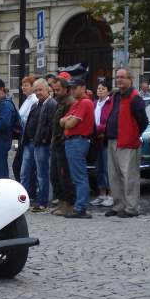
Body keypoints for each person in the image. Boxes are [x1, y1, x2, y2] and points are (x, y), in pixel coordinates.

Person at [103, 68, 149, 217]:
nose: (119, 80)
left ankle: (131, 208)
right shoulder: (116, 96)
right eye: (117, 77)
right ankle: (118, 206)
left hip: (127, 142)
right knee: (114, 176)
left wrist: (133, 135)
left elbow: (143, 121)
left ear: (130, 79)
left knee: (129, 177)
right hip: (112, 140)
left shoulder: (135, 98)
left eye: (122, 77)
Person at [59, 79, 95, 218]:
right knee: (77, 176)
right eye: (71, 88)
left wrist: (67, 120)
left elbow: (69, 123)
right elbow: (62, 121)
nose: (72, 90)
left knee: (79, 176)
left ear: (83, 87)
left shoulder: (85, 102)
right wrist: (66, 120)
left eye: (75, 88)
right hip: (73, 141)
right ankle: (80, 206)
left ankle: (81, 207)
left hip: (77, 141)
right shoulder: (76, 103)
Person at [26, 79, 55, 212]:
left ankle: (43, 202)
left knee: (43, 173)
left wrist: (44, 140)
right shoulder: (37, 104)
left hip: (44, 144)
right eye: (36, 90)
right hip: (36, 142)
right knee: (40, 173)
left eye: (40, 90)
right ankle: (41, 199)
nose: (38, 93)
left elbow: (50, 125)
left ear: (47, 89)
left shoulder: (51, 104)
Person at [49, 78, 75, 216]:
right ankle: (61, 202)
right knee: (55, 175)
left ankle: (68, 204)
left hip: (63, 143)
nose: (56, 92)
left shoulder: (70, 102)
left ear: (66, 89)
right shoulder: (59, 102)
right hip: (55, 143)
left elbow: (68, 123)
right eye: (54, 89)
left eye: (58, 90)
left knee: (64, 174)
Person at [90, 82, 114, 207]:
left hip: (105, 139)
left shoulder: (111, 103)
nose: (99, 90)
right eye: (98, 88)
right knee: (98, 168)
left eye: (103, 88)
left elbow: (110, 120)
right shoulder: (94, 103)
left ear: (108, 91)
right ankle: (101, 193)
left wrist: (100, 130)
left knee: (107, 168)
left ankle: (111, 194)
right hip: (95, 140)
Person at [13, 75, 39, 184]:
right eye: (22, 85)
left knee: (23, 166)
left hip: (28, 137)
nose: (23, 87)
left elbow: (27, 118)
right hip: (23, 136)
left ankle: (26, 190)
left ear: (33, 87)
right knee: (20, 165)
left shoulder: (34, 100)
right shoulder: (27, 99)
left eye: (26, 85)